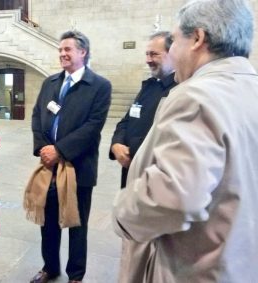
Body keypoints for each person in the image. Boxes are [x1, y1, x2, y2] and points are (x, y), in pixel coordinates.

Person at [112, 0, 258, 282]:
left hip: (197, 268)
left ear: (198, 39)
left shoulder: (197, 95)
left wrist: (123, 213)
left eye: (175, 40)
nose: (172, 52)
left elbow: (174, 196)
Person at [30, 30, 111, 283]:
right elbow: (36, 116)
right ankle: (50, 267)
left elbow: (93, 126)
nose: (62, 54)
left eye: (68, 49)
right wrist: (44, 148)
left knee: (77, 225)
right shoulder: (50, 83)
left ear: (83, 52)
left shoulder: (99, 86)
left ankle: (76, 275)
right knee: (48, 223)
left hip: (79, 167)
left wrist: (60, 150)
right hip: (49, 167)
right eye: (60, 50)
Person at [110, 31, 176, 189]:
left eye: (153, 54)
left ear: (172, 54)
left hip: (154, 177)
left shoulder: (178, 90)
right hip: (131, 172)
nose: (148, 60)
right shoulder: (149, 86)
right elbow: (126, 121)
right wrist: (116, 143)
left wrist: (132, 149)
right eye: (147, 54)